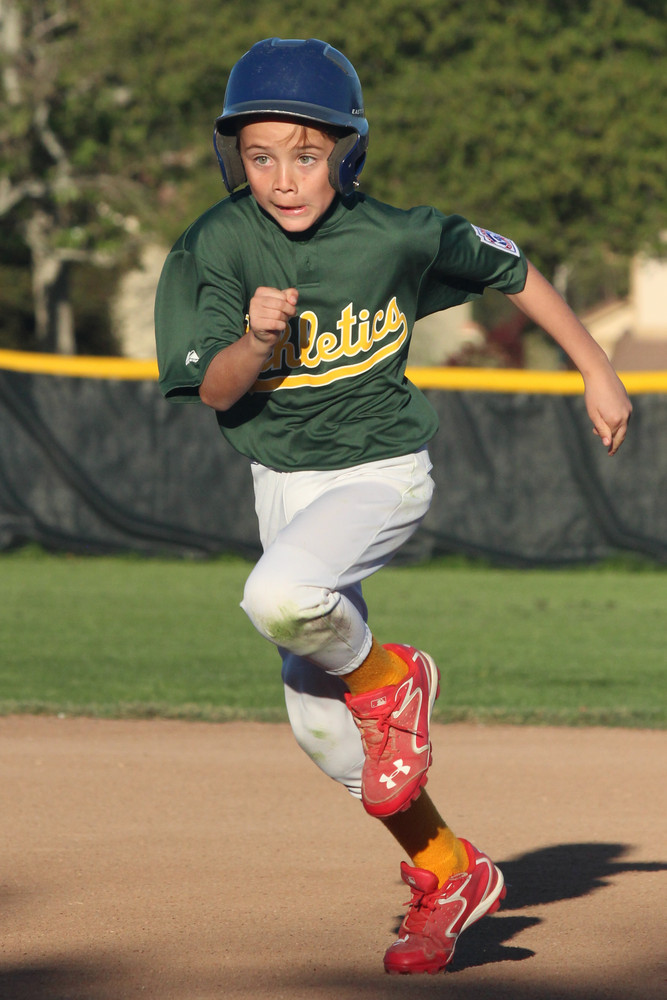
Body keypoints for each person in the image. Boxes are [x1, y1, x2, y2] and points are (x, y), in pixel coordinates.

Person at [154, 37, 632, 975]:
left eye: (307, 152)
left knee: (277, 597)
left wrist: (596, 367)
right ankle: (449, 870)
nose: (283, 177)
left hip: (381, 470)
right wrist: (254, 341)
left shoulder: (396, 235)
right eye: (260, 154)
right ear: (233, 156)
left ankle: (393, 681)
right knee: (325, 734)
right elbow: (214, 390)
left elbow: (508, 266)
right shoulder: (215, 246)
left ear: (347, 152)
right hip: (282, 484)